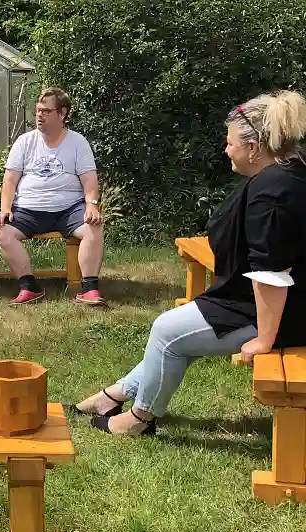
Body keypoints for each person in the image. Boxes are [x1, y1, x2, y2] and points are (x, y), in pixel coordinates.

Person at [76, 90, 306, 436]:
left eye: (230, 143)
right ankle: (116, 394)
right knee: (179, 332)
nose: (226, 150)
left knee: (168, 331)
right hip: (256, 300)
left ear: (253, 147)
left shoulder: (273, 191)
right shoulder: (288, 171)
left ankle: (139, 419)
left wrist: (265, 339)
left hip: (279, 313)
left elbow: (272, 272)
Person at [0, 87, 106, 306]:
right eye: (38, 110)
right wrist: (5, 208)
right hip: (29, 209)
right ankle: (29, 287)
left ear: (62, 114)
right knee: (2, 231)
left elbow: (90, 181)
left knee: (94, 225)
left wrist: (92, 205)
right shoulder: (24, 142)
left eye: (46, 111)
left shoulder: (78, 142)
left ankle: (89, 289)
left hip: (69, 209)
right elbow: (9, 181)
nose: (39, 115)